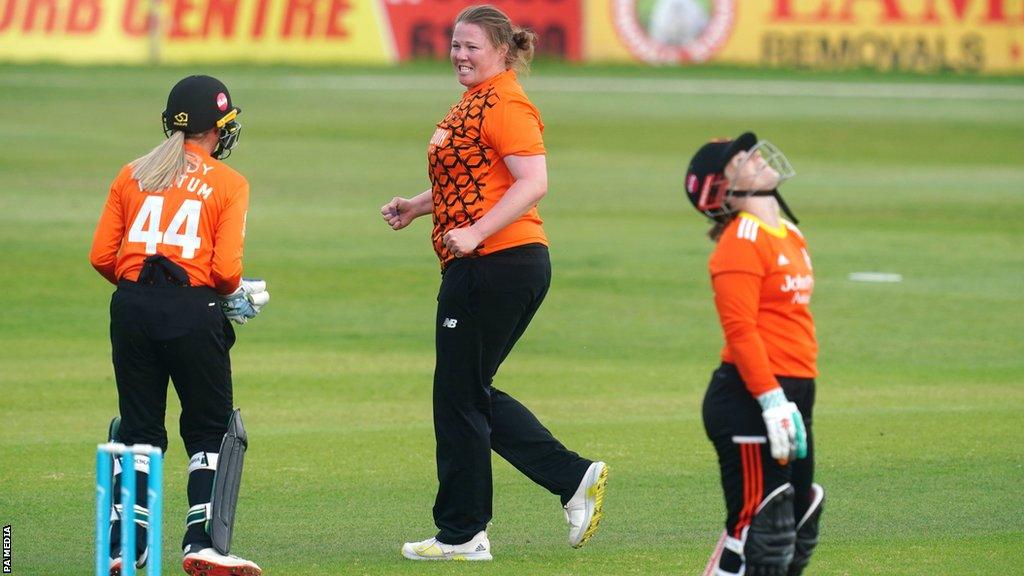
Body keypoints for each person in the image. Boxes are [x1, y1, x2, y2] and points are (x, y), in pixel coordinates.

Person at [380, 4, 608, 561]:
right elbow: (478, 179)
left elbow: (533, 182)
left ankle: (464, 533)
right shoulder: (477, 99)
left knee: (459, 394)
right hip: (491, 260)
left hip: (495, 261)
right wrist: (419, 206)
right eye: (455, 45)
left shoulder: (506, 102)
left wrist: (474, 232)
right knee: (466, 390)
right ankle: (569, 480)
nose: (459, 55)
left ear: (502, 50)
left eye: (471, 46)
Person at [89, 75, 267, 576]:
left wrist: (142, 288)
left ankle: (128, 548)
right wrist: (231, 296)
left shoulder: (132, 173)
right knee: (210, 429)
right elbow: (227, 271)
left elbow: (102, 255)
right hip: (193, 313)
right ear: (218, 129)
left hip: (130, 308)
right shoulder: (229, 183)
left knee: (140, 428)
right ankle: (203, 543)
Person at [683, 133, 825, 576]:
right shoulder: (739, 243)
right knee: (758, 531)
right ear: (724, 191)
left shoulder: (790, 233)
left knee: (797, 526)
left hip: (795, 391)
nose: (757, 157)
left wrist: (790, 400)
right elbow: (741, 331)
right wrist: (770, 398)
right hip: (747, 399)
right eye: (742, 159)